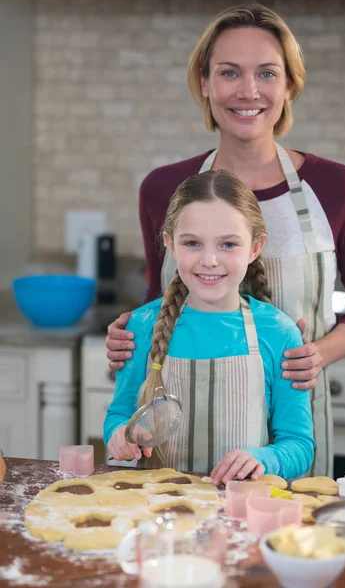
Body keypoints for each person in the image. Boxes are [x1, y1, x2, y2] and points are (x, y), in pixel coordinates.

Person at [105, 3, 345, 478]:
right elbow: (162, 298)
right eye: (229, 72)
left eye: (267, 73)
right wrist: (128, 335)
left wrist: (315, 355)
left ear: (289, 85)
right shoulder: (163, 187)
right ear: (204, 82)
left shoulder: (338, 187)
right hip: (175, 451)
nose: (248, 91)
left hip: (291, 435)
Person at [104, 170, 315, 485]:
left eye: (228, 244)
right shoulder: (141, 326)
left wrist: (263, 459)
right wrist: (120, 436)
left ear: (255, 248)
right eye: (192, 243)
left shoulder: (278, 332)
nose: (210, 260)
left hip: (240, 519)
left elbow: (299, 445)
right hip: (158, 515)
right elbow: (118, 415)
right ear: (171, 245)